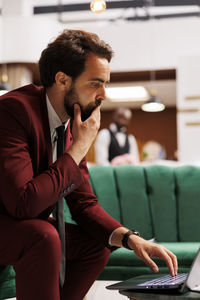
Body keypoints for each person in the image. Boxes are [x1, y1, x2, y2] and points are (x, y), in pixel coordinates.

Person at [0, 29, 177, 300]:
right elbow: (23, 202)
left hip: (20, 226)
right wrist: (79, 148)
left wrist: (130, 238)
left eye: (106, 83)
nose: (103, 94)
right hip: (9, 222)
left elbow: (83, 204)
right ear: (62, 80)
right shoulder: (13, 110)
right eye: (95, 83)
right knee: (44, 235)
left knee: (97, 244)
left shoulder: (70, 124)